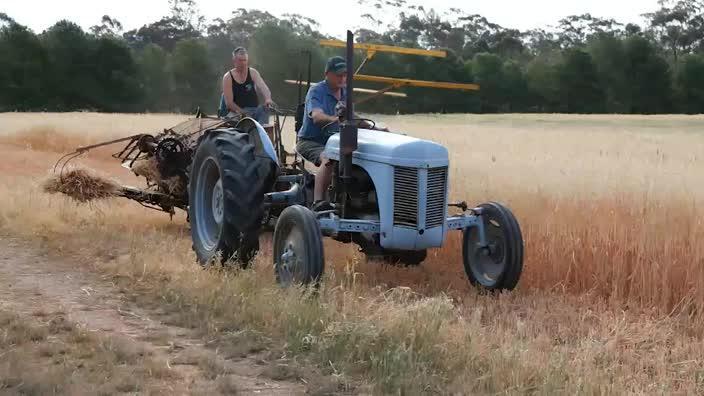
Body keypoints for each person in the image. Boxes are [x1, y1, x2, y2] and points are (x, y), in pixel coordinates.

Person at [296, 56, 386, 211]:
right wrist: (336, 120)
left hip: (336, 142)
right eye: (338, 75)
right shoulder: (316, 90)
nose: (342, 78)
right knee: (328, 158)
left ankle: (359, 201)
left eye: (345, 75)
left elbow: (353, 118)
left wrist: (377, 129)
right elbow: (317, 116)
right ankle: (318, 203)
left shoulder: (345, 93)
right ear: (327, 74)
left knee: (360, 157)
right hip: (311, 141)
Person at [220, 47, 273, 125]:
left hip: (254, 110)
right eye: (240, 60)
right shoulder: (227, 77)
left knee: (264, 110)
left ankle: (262, 133)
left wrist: (268, 98)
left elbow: (264, 88)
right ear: (234, 60)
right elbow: (229, 104)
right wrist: (244, 113)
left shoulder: (253, 72)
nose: (243, 63)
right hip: (236, 112)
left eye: (245, 60)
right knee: (233, 123)